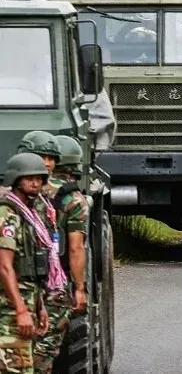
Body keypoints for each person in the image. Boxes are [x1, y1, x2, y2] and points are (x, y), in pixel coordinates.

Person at [32, 134, 90, 373]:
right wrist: (79, 288)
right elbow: (76, 247)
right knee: (46, 346)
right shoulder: (73, 198)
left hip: (16, 279)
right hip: (53, 281)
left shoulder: (12, 191)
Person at [0, 153, 55, 372]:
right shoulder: (8, 214)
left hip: (25, 302)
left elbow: (31, 269)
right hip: (9, 309)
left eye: (39, 178)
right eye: (29, 178)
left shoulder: (29, 214)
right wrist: (21, 310)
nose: (35, 183)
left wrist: (39, 307)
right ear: (16, 180)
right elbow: (4, 266)